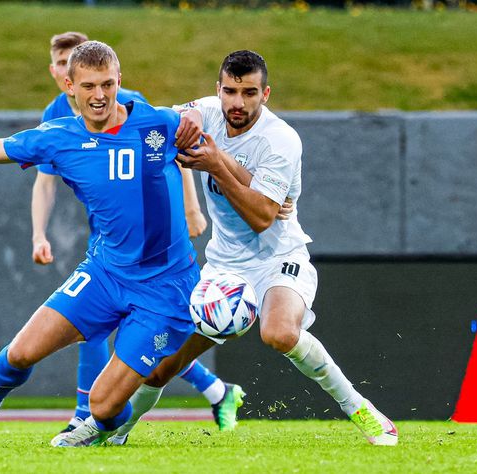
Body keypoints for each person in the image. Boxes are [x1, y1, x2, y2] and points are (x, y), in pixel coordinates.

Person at [0, 41, 211, 447]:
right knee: (20, 353)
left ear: (120, 81)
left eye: (108, 84)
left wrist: (197, 112)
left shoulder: (159, 125)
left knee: (102, 405)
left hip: (165, 287)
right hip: (104, 273)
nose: (99, 96)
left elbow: (218, 113)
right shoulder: (58, 137)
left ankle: (103, 425)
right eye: (89, 86)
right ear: (69, 85)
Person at [66, 50, 398, 447]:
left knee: (279, 332)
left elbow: (262, 217)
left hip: (278, 259)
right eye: (230, 91)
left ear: (266, 93)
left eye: (249, 93)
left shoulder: (281, 140)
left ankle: (363, 410)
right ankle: (112, 431)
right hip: (222, 269)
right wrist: (177, 122)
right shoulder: (204, 111)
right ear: (217, 90)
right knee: (157, 369)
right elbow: (164, 123)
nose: (238, 103)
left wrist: (217, 163)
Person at [33, 32, 243, 438]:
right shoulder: (55, 115)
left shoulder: (126, 102)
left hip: (150, 245)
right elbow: (45, 179)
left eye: (68, 62)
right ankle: (215, 391)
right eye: (59, 64)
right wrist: (38, 233)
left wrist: (192, 208)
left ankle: (86, 416)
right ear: (61, 75)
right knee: (108, 329)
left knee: (113, 331)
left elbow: (170, 151)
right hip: (107, 241)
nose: (64, 71)